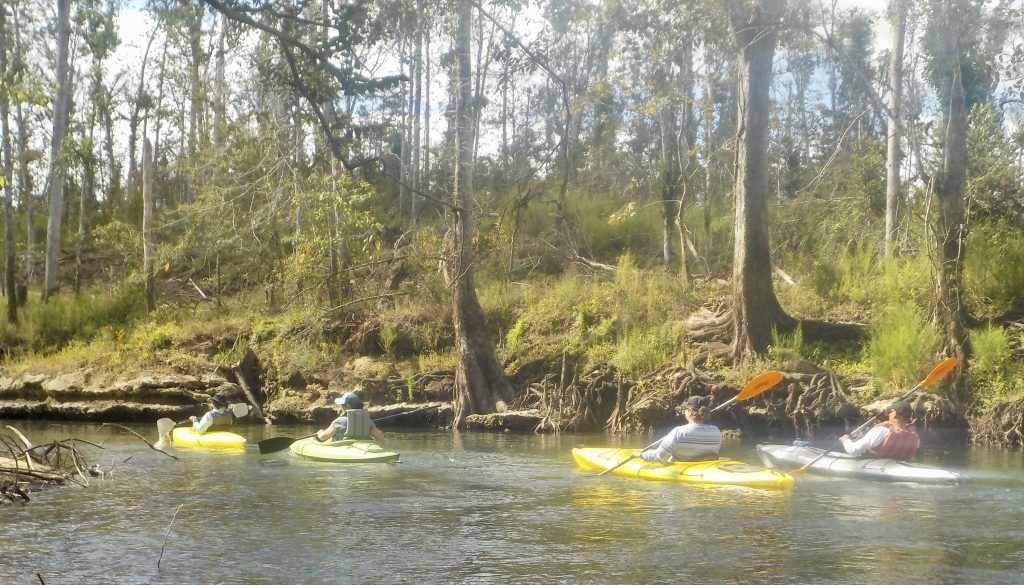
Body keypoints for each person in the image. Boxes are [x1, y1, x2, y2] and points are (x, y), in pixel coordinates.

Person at [633, 395, 722, 463]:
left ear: (690, 411)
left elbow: (660, 457)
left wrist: (641, 455)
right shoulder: (716, 431)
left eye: (686, 409)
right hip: (705, 466)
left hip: (685, 469)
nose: (684, 411)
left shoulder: (679, 432)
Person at [839, 400, 920, 459]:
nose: (888, 415)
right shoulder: (916, 438)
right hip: (898, 468)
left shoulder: (882, 431)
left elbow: (853, 450)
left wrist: (845, 440)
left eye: (890, 412)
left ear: (896, 414)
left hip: (873, 468)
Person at [316, 391, 387, 443]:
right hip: (364, 447)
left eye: (342, 404)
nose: (340, 406)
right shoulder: (367, 421)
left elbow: (323, 437)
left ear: (348, 406)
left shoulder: (340, 421)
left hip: (345, 449)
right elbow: (381, 438)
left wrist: (319, 433)